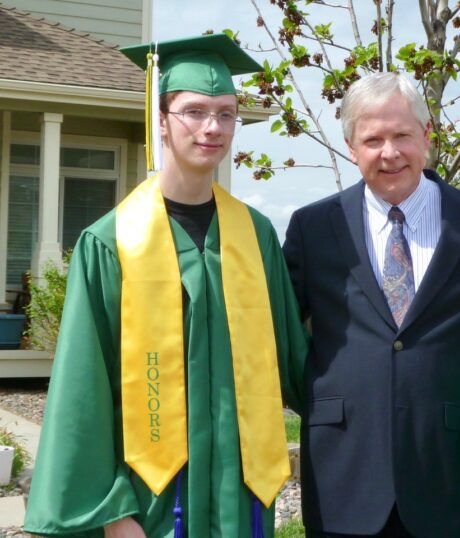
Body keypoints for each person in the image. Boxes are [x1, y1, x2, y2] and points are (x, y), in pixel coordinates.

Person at [23, 34, 307, 538]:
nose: (213, 127)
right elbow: (82, 389)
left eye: (226, 113)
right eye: (194, 112)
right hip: (152, 503)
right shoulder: (111, 241)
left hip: (241, 498)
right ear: (161, 120)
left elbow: (295, 359)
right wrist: (112, 512)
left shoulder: (255, 235)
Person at [283, 72, 460, 538]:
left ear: (427, 136)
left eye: (402, 136)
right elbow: (279, 330)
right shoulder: (312, 227)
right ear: (351, 146)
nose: (389, 152)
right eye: (372, 139)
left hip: (447, 468)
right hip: (342, 471)